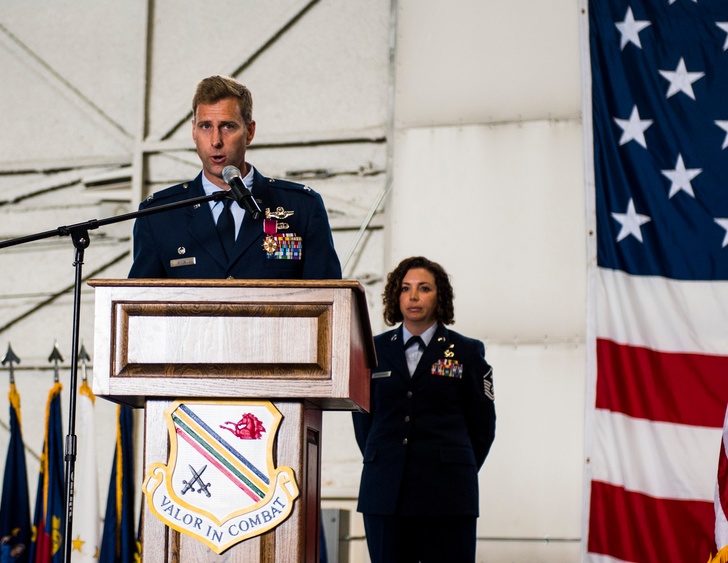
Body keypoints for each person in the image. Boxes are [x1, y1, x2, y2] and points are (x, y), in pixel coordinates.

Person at [351, 256, 496, 562]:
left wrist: (457, 465)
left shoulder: (467, 351)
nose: (414, 296)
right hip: (385, 491)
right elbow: (363, 420)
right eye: (405, 289)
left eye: (424, 288)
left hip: (448, 493)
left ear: (439, 295)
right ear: (396, 296)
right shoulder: (373, 349)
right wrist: (387, 460)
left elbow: (482, 426)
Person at [128, 75, 342, 280]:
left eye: (227, 126)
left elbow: (329, 301)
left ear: (249, 132)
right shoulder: (158, 215)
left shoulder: (302, 207)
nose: (215, 141)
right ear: (193, 131)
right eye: (205, 127)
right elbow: (137, 306)